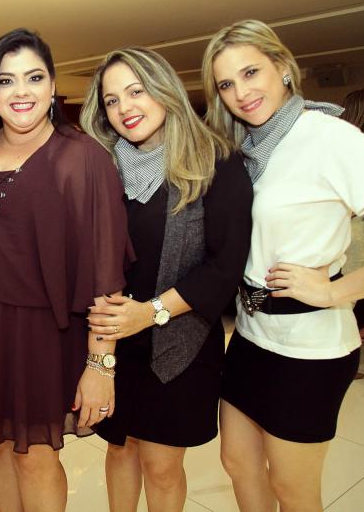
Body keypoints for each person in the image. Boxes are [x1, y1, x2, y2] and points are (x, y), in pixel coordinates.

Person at [202, 20, 364, 512]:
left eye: (251, 72)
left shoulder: (330, 137)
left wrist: (334, 291)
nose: (241, 92)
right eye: (226, 84)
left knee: (293, 489)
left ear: (282, 67)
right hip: (251, 335)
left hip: (311, 348)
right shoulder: (243, 148)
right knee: (238, 463)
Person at [0, 28, 131, 512]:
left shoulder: (81, 157)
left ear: (53, 86)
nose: (22, 91)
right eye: (6, 80)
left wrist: (100, 365)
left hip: (43, 333)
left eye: (34, 78)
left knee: (34, 456)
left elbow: (105, 272)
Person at [79, 47, 252, 512]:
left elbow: (225, 265)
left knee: (160, 463)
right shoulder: (101, 168)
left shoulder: (217, 162)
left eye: (136, 91)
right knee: (119, 449)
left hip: (181, 343)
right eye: (112, 100)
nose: (125, 107)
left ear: (164, 90)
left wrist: (151, 312)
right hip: (114, 341)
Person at [341, 89, 364, 345]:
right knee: (350, 292)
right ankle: (344, 345)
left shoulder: (338, 143)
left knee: (344, 288)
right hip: (358, 226)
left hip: (348, 227)